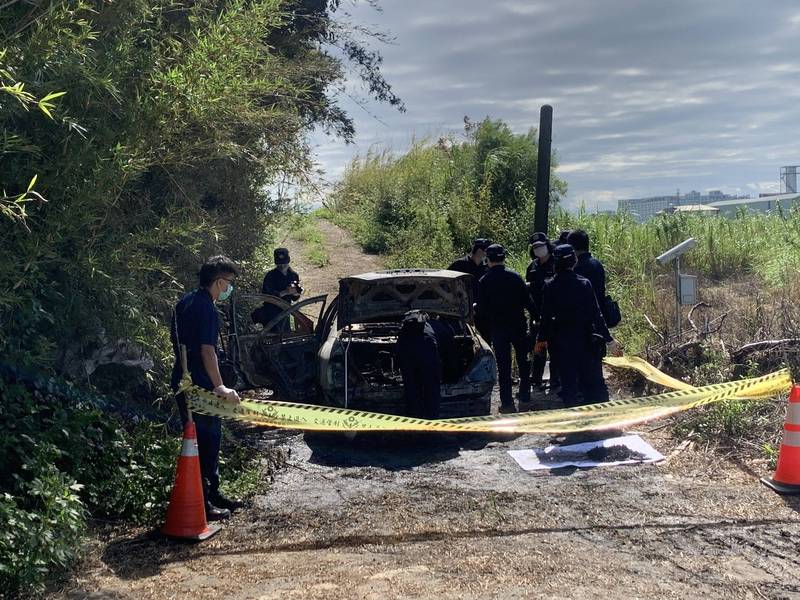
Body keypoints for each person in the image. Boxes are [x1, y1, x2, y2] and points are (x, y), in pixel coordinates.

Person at [170, 255, 243, 521]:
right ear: (219, 281)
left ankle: (211, 494)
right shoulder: (206, 308)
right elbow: (207, 351)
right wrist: (220, 386)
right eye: (229, 283)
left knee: (204, 439)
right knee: (205, 441)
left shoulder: (186, 301)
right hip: (201, 385)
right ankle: (202, 502)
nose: (230, 288)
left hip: (184, 378)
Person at [536, 244, 622, 407]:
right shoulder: (584, 284)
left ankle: (574, 425)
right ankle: (593, 423)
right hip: (585, 341)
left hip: (560, 343)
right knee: (589, 383)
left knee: (568, 385)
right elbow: (596, 315)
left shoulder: (550, 285)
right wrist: (609, 340)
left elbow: (545, 317)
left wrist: (540, 340)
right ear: (573, 261)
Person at [475, 244, 533, 413]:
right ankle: (524, 397)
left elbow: (482, 310)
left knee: (504, 366)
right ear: (504, 257)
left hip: (498, 329)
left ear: (488, 259)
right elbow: (528, 301)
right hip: (519, 326)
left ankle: (507, 402)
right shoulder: (515, 277)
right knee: (523, 362)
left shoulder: (484, 281)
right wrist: (537, 318)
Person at [525, 232, 556, 391]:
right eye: (535, 247)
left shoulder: (556, 263)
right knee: (538, 347)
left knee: (555, 348)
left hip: (554, 314)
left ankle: (556, 380)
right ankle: (536, 378)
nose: (538, 249)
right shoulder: (532, 266)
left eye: (541, 246)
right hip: (536, 313)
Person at [395, 310, 441, 419]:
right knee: (431, 391)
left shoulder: (404, 333)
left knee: (412, 390)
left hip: (409, 358)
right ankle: (432, 421)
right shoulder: (431, 329)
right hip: (428, 358)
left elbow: (398, 353)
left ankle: (415, 420)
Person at [255, 248, 303, 329]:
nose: (282, 266)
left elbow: (295, 297)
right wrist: (284, 292)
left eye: (284, 263)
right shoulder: (270, 276)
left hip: (285, 310)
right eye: (279, 263)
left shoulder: (293, 275)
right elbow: (266, 296)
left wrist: (295, 293)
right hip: (271, 312)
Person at [567, 229, 606, 314]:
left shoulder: (577, 267)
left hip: (583, 316)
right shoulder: (597, 264)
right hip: (599, 312)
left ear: (571, 247)